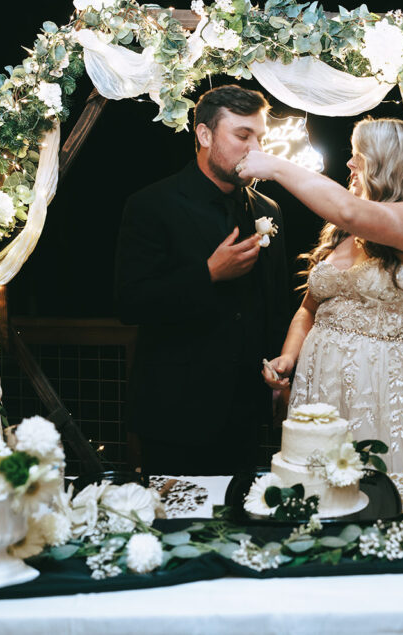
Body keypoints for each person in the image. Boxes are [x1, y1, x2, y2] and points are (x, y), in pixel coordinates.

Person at [237, 118, 403, 473]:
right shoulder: (342, 233)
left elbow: (351, 210)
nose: (350, 164)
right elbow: (310, 309)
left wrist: (276, 166)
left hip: (390, 387)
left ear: (390, 164)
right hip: (322, 386)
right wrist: (289, 357)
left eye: (359, 156)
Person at [115, 85, 290, 475]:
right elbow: (131, 302)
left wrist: (281, 380)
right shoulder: (151, 205)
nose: (255, 149)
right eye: (243, 135)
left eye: (260, 137)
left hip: (247, 412)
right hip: (176, 412)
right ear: (205, 135)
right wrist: (208, 273)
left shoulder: (269, 210)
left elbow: (276, 304)